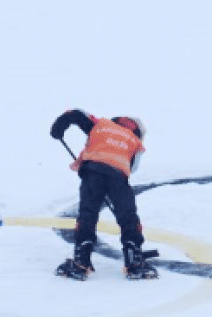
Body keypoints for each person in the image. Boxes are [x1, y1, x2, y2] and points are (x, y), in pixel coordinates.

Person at [49, 109, 158, 280]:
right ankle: (134, 260)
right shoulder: (136, 142)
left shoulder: (100, 124)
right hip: (118, 178)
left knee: (87, 214)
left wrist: (58, 128)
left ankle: (81, 260)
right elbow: (133, 168)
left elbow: (76, 114)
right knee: (127, 216)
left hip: (92, 172)